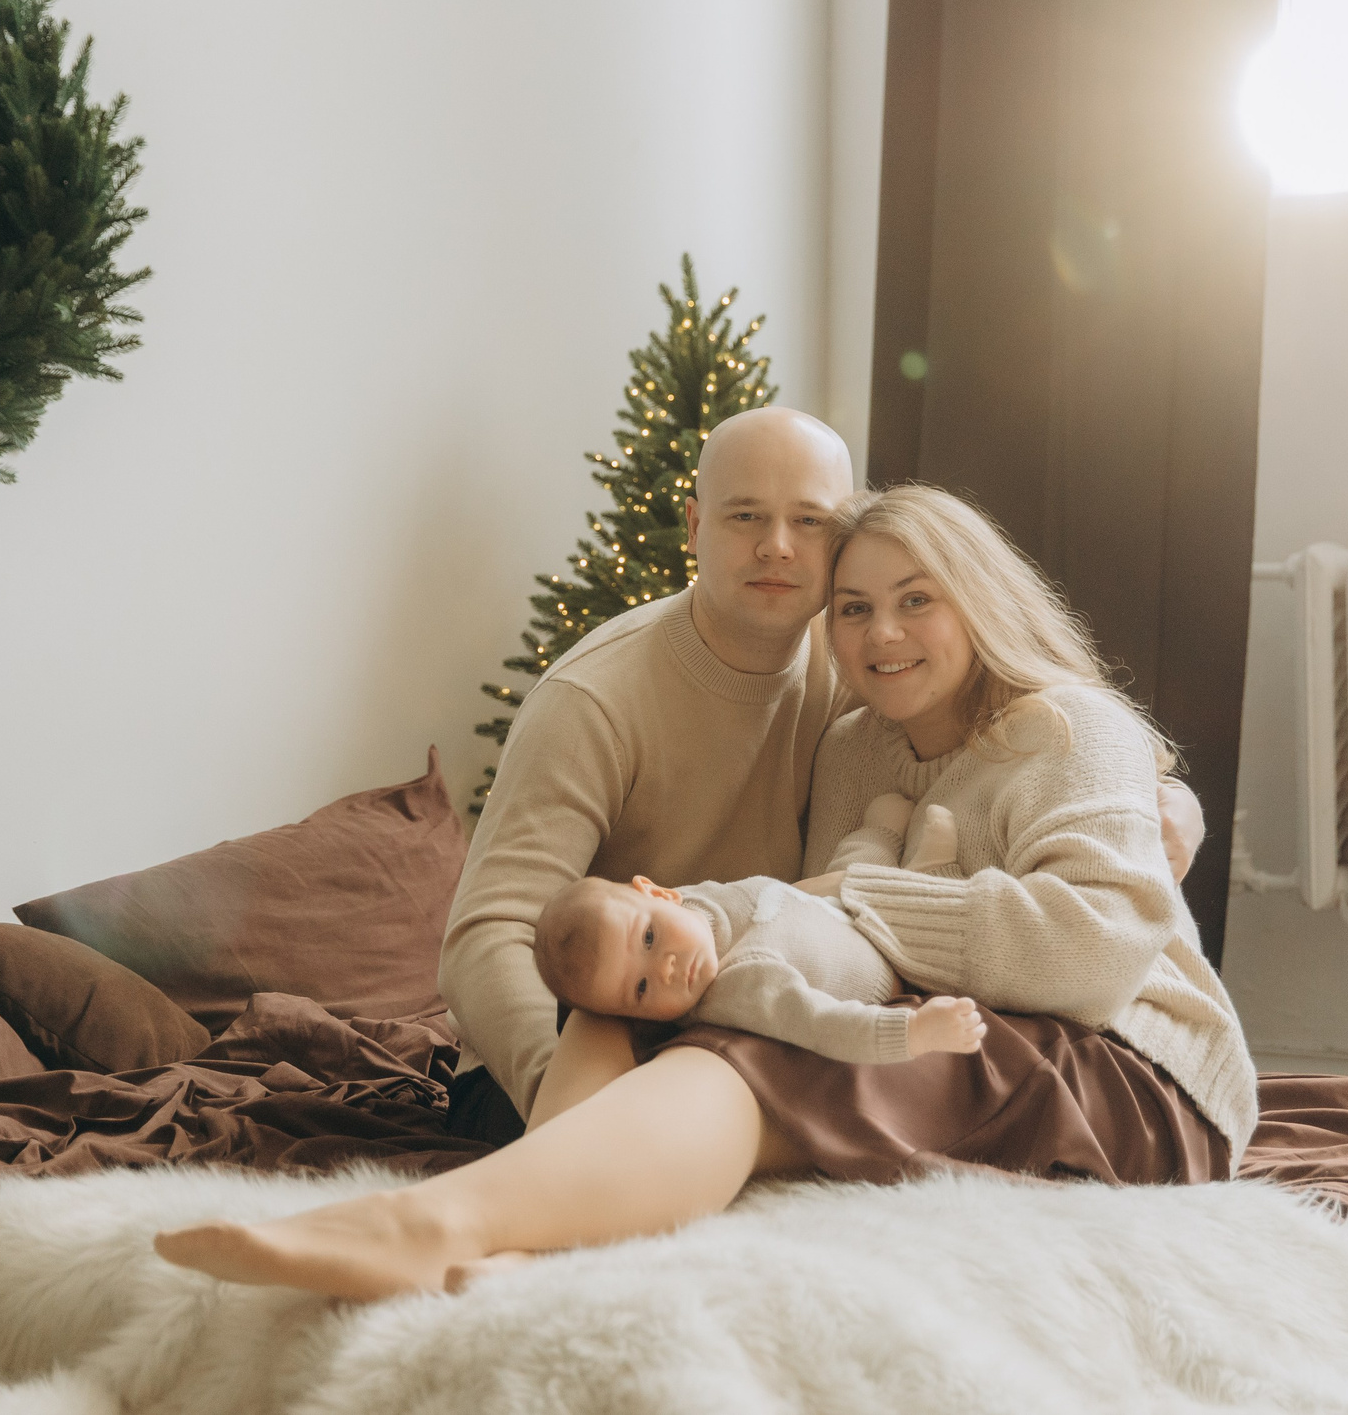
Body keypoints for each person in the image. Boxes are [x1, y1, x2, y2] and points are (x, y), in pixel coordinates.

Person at [153, 483, 1248, 1299]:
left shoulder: (1069, 729)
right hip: (953, 1015)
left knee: (757, 1057)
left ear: (980, 600)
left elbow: (1086, 958)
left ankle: (431, 1223)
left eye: (917, 600)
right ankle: (540, 1234)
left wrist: (865, 903)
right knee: (628, 984)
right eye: (853, 609)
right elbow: (827, 932)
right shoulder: (853, 744)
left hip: (1127, 1067)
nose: (882, 635)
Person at [435, 406, 1202, 1142]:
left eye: (808, 521)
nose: (777, 546)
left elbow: (1024, 726)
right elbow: (491, 931)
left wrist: (1166, 799)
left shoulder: (862, 661)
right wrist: (559, 1095)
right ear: (696, 527)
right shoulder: (594, 701)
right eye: (745, 516)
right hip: (600, 1023)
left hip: (764, 1004)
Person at [532, 871, 989, 1065]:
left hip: (849, 912)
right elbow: (823, 1026)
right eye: (641, 989)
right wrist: (914, 1032)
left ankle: (886, 836)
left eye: (649, 938)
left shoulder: (697, 901)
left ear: (660, 893)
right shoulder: (742, 988)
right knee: (950, 906)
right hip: (896, 976)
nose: (667, 969)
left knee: (861, 867)